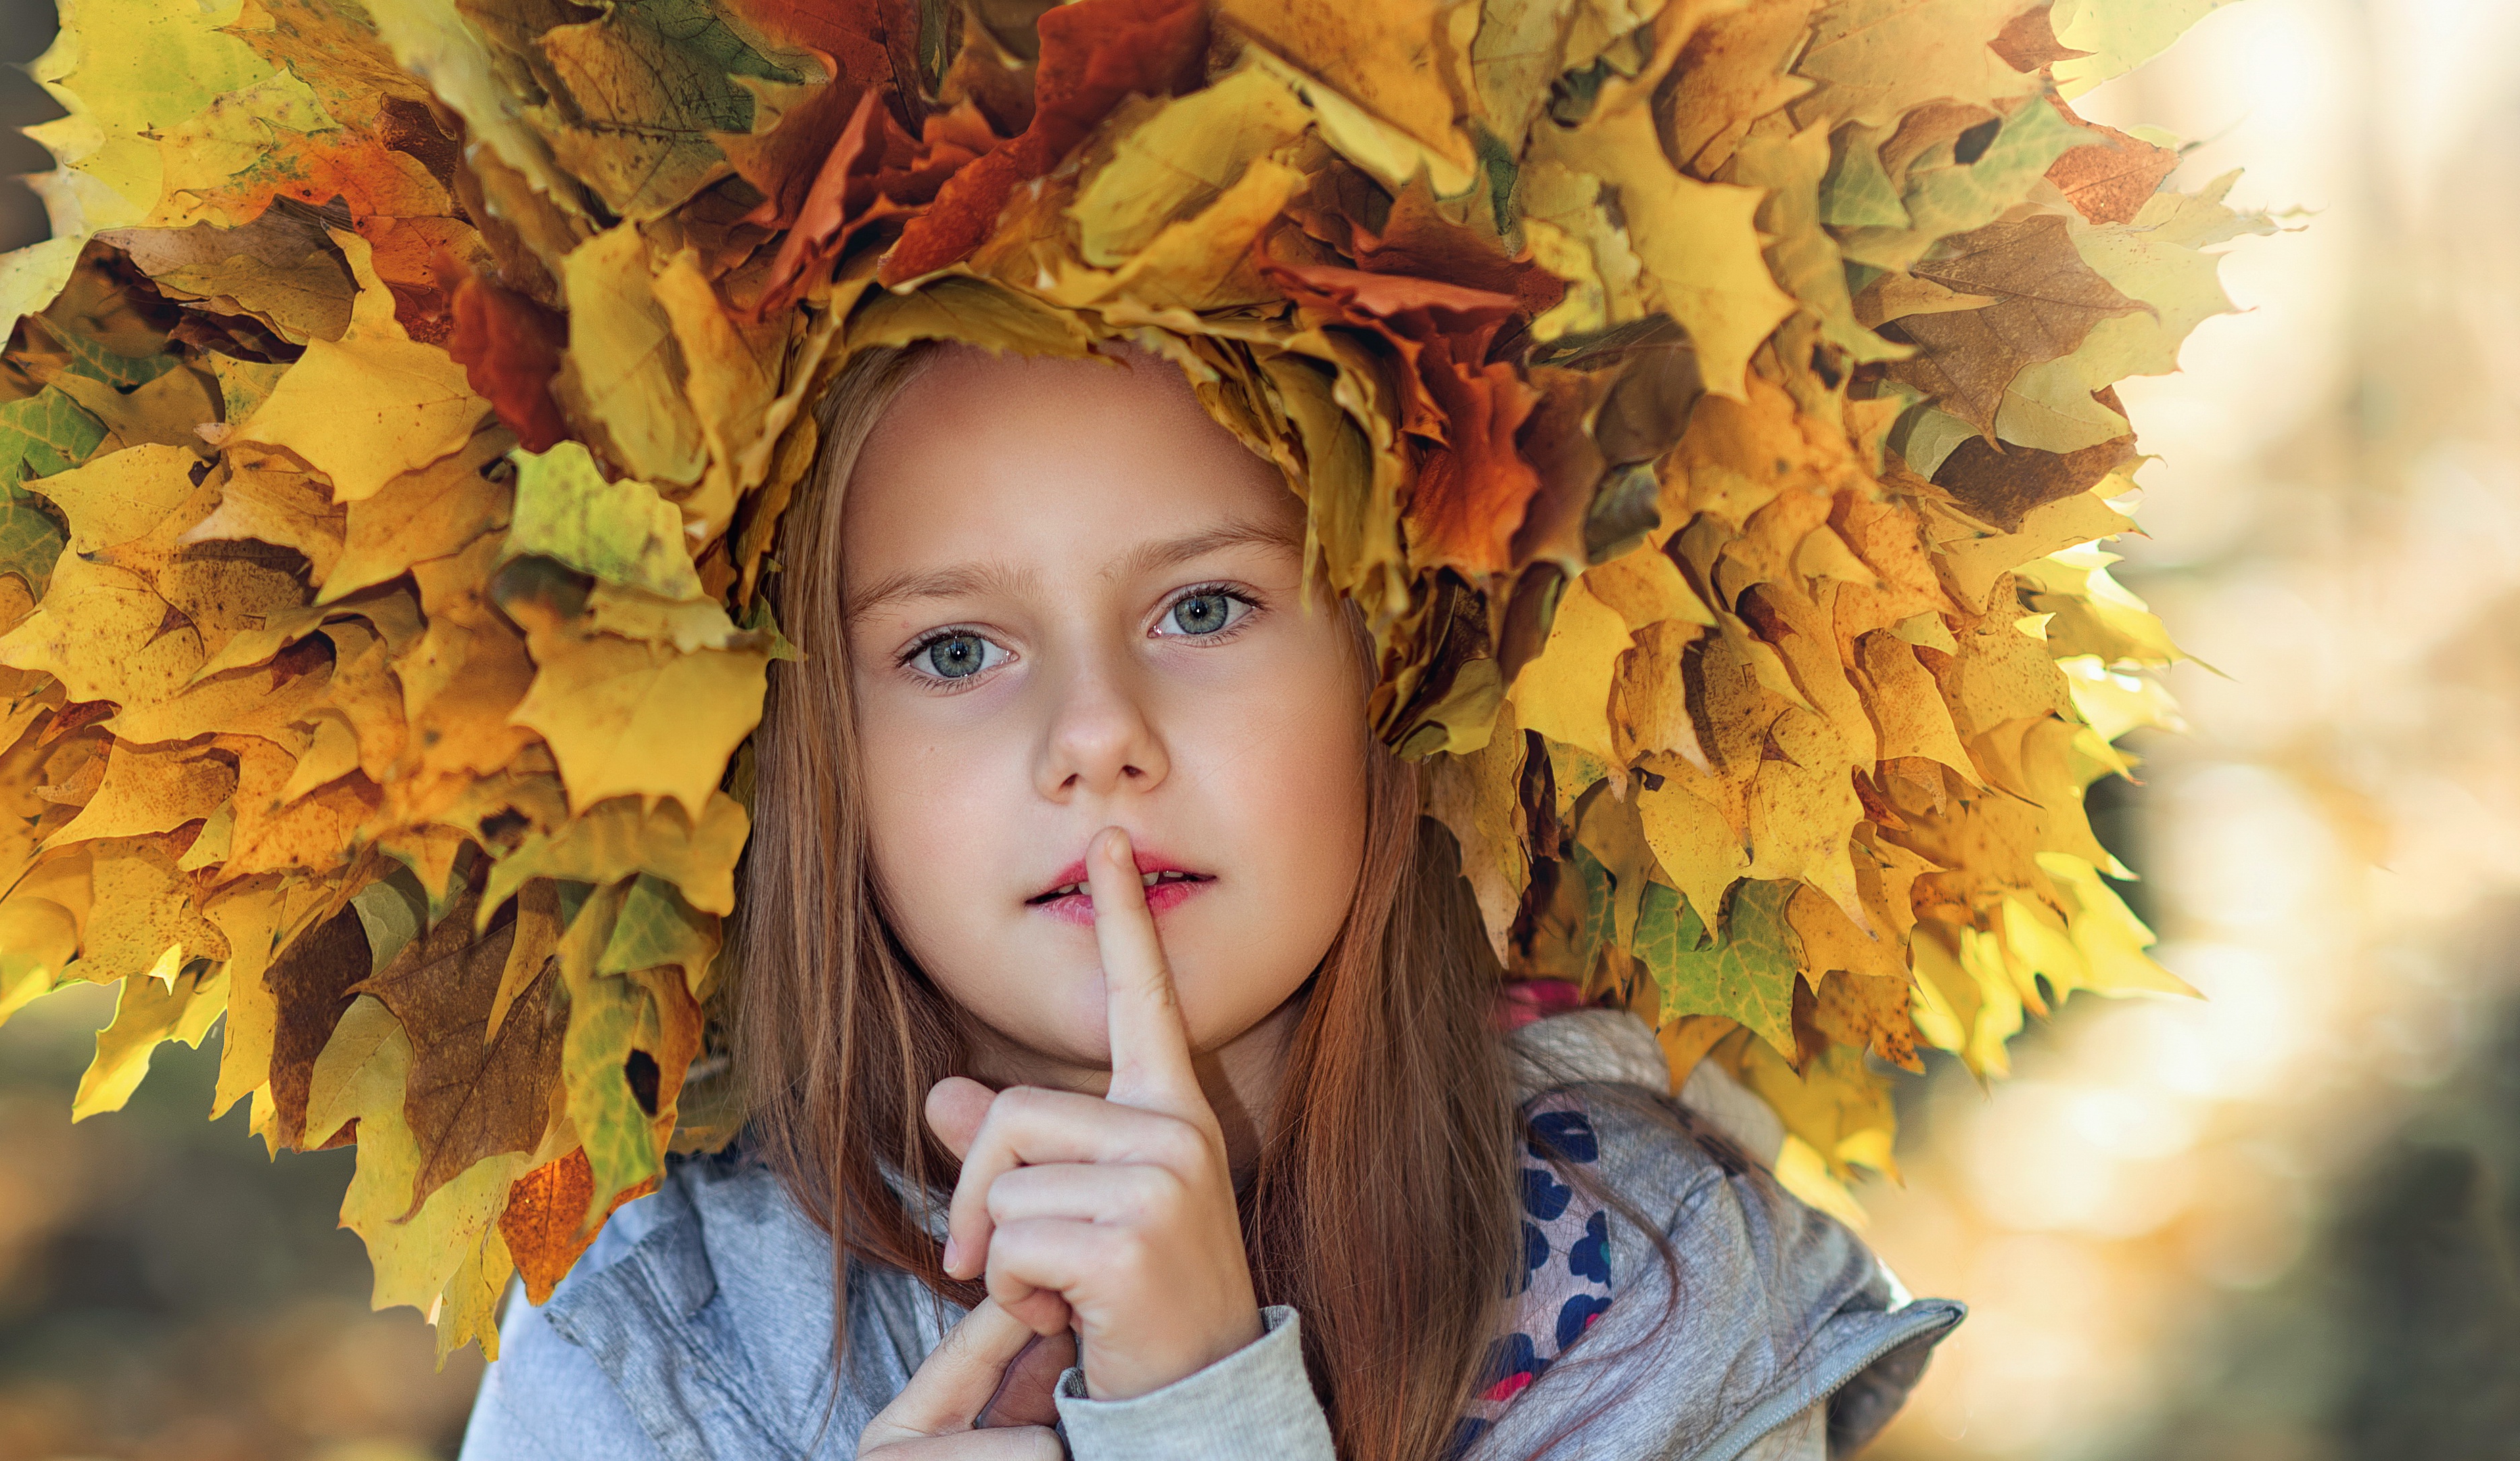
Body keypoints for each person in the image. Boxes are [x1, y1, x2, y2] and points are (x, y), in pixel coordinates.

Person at [454, 339, 1962, 1461]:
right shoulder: (653, 1309)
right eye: (955, 651)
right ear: (805, 757)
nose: (1096, 734)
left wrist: (1203, 1414)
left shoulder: (1646, 1278)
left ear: (1408, 677)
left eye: (1206, 607)